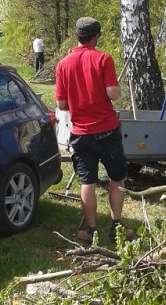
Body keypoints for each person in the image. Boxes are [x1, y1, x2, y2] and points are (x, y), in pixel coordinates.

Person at [55, 16, 135, 243]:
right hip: (107, 132)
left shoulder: (63, 64)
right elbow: (113, 94)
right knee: (117, 179)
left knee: (87, 182)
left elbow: (61, 105)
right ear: (95, 37)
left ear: (77, 36)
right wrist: (111, 88)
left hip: (80, 133)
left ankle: (90, 230)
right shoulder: (103, 59)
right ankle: (116, 227)